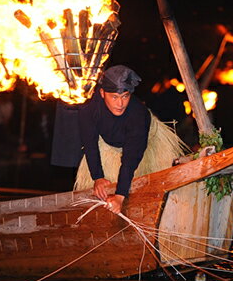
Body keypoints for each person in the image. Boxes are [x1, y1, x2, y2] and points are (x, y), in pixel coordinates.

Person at [70, 65, 188, 213]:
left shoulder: (138, 115)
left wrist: (120, 195)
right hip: (108, 145)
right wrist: (98, 178)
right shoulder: (88, 109)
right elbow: (90, 143)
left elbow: (131, 158)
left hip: (145, 147)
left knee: (145, 199)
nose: (120, 104)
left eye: (125, 96)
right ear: (102, 93)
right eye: (114, 97)